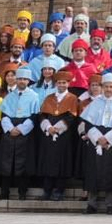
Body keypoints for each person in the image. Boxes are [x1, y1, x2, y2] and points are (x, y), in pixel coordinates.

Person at [81, 74, 112, 214]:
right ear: (102, 87)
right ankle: (92, 203)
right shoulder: (95, 102)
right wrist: (97, 138)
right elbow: (88, 123)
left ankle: (110, 203)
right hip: (95, 140)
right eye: (106, 86)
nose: (108, 89)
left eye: (111, 86)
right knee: (93, 171)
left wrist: (108, 138)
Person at [35, 67, 80, 202]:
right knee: (48, 162)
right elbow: (42, 115)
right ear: (56, 84)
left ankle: (59, 191)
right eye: (59, 83)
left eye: (64, 83)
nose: (61, 85)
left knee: (62, 163)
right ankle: (47, 190)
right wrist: (48, 127)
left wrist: (58, 128)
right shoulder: (49, 97)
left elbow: (72, 116)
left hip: (63, 136)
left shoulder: (72, 98)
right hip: (48, 134)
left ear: (68, 84)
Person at [0, 66, 39, 200]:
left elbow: (34, 116)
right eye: (19, 78)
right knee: (6, 161)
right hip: (10, 131)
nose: (21, 81)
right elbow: (4, 114)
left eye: (24, 79)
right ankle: (4, 192)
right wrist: (10, 128)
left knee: (23, 162)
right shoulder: (10, 95)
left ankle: (22, 192)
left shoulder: (34, 96)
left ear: (28, 81)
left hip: (25, 131)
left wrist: (21, 129)